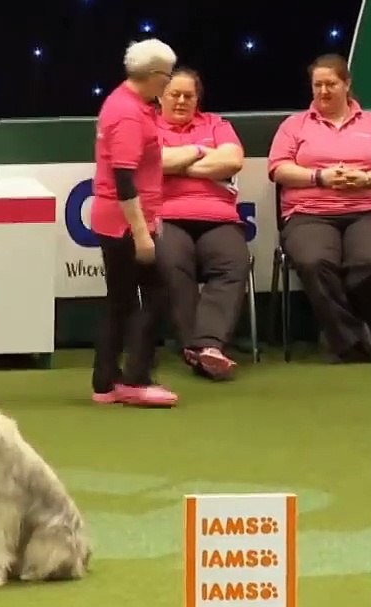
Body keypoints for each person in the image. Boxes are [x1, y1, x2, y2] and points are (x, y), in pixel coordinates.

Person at [267, 53, 371, 363]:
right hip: (308, 214)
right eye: (317, 85)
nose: (323, 91)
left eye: (331, 84)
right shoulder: (294, 125)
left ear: (347, 84)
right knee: (315, 261)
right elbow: (278, 168)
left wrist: (366, 178)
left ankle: (339, 334)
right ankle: (360, 341)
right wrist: (321, 177)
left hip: (366, 210)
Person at [89, 38, 180, 407]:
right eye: (168, 77)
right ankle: (134, 379)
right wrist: (142, 233)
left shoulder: (128, 104)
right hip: (125, 222)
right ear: (156, 75)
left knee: (121, 300)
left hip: (120, 219)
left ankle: (105, 382)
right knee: (157, 295)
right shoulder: (127, 113)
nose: (169, 84)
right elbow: (123, 177)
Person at [155, 68, 249, 380]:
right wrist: (199, 154)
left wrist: (176, 166)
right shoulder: (147, 126)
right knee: (171, 261)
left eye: (188, 96)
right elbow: (151, 162)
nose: (181, 101)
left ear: (198, 99)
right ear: (160, 97)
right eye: (174, 95)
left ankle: (209, 347)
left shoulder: (216, 125)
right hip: (166, 215)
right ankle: (194, 348)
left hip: (218, 217)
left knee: (232, 263)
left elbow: (232, 161)